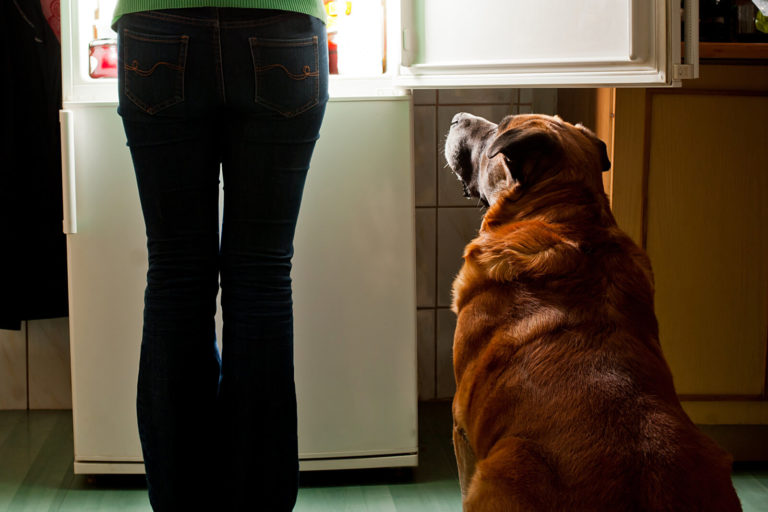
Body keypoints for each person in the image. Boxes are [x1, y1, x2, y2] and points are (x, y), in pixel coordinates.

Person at [113, 1, 328, 510]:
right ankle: (257, 501)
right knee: (262, 277)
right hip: (281, 25)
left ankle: (181, 500)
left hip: (157, 26)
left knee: (175, 271)